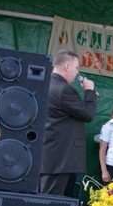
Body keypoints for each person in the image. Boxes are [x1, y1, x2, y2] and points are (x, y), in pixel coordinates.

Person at [39, 50, 99, 196]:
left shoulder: (45, 83)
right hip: (60, 159)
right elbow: (88, 114)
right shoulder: (64, 89)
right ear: (67, 67)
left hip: (51, 157)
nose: (77, 72)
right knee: (51, 202)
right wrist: (89, 91)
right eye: (76, 67)